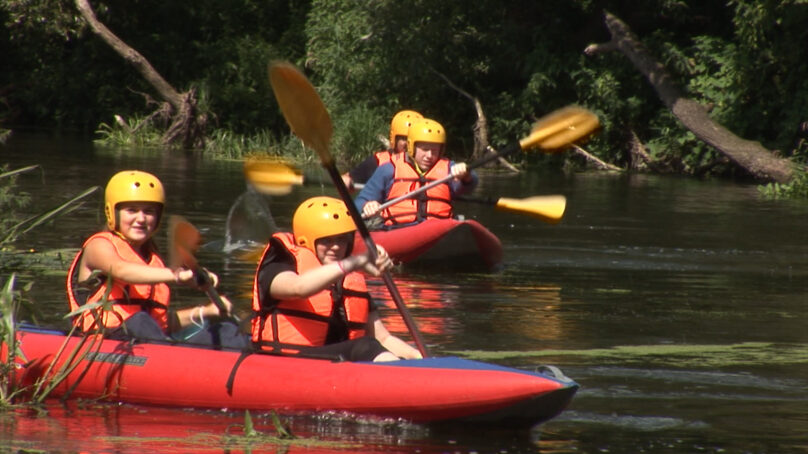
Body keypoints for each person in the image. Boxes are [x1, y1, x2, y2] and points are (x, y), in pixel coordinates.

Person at [66, 170, 246, 348]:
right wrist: (178, 275)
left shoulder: (152, 260)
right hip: (105, 342)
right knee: (139, 321)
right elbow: (121, 270)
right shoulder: (98, 245)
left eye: (149, 211)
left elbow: (162, 323)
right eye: (132, 210)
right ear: (112, 212)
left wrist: (205, 312)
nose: (141, 219)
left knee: (226, 332)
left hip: (150, 344)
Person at [251, 196, 422, 362]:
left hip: (333, 367)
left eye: (342, 240)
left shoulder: (349, 280)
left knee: (374, 346)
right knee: (365, 346)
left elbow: (384, 339)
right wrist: (355, 261)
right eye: (326, 240)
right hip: (283, 362)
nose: (336, 247)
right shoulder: (279, 263)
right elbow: (298, 288)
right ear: (306, 240)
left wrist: (421, 358)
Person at [355, 117, 478, 228]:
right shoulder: (388, 169)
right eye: (424, 149)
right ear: (411, 147)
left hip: (439, 229)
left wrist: (466, 175)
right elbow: (360, 201)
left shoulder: (449, 169)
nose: (429, 155)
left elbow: (469, 186)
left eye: (435, 150)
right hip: (398, 230)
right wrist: (367, 205)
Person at [341, 110, 423, 190]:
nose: (409, 144)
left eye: (414, 140)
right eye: (404, 139)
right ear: (394, 139)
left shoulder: (428, 165)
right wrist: (346, 179)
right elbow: (350, 177)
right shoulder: (376, 162)